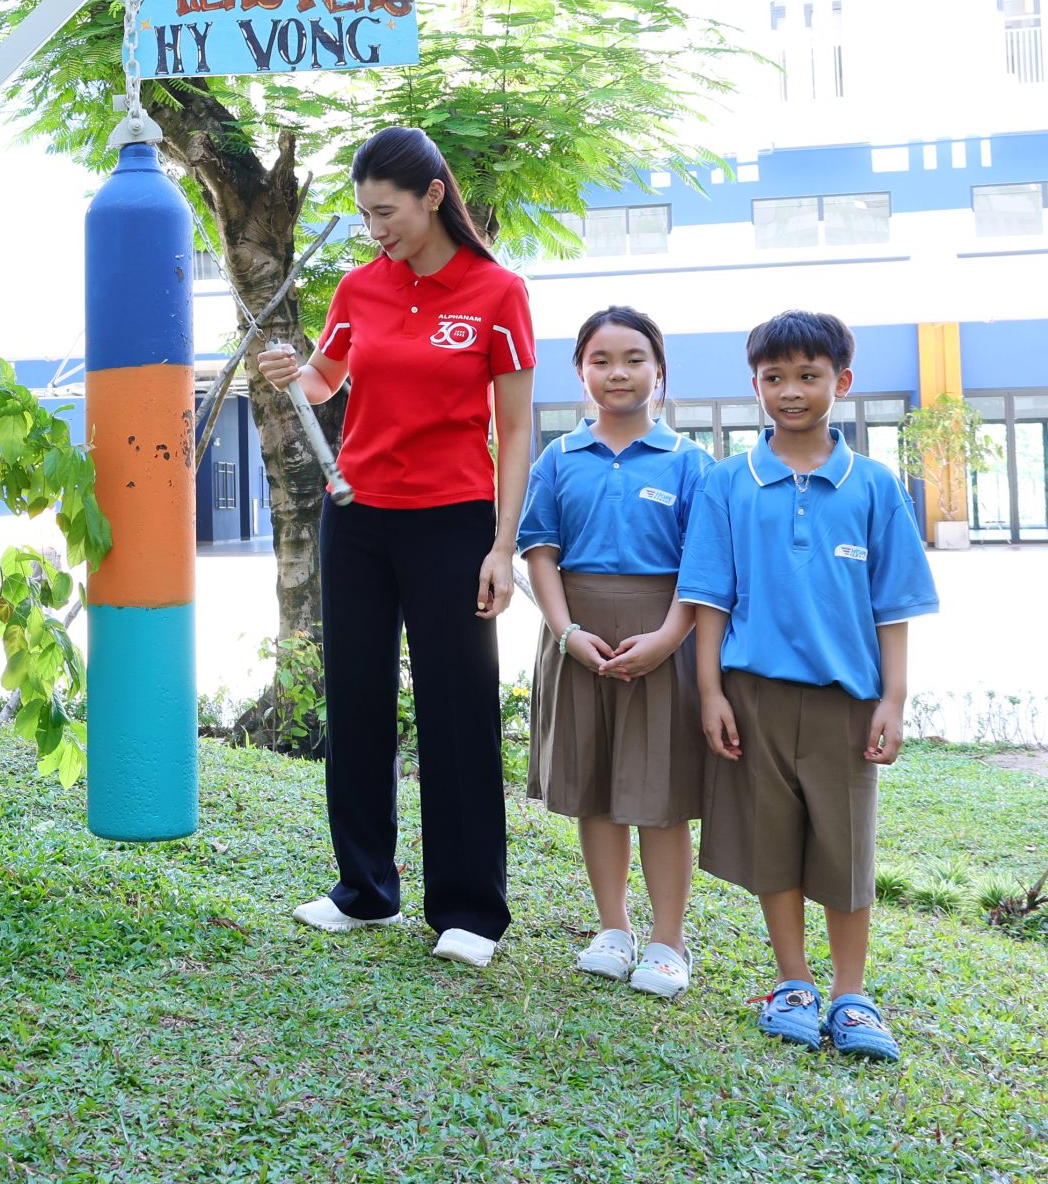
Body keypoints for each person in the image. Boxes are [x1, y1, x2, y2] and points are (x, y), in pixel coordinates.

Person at [256, 125, 536, 967]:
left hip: (453, 520)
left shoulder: (497, 292)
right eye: (365, 214)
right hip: (359, 517)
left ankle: (470, 910)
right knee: (356, 701)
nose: (377, 228)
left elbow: (516, 428)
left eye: (387, 212)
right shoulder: (358, 289)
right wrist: (287, 370)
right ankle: (364, 889)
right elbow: (324, 381)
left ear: (433, 196)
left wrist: (502, 545)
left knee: (458, 710)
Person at [678, 309, 940, 1061]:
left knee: (845, 849)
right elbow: (708, 598)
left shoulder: (875, 486)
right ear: (755, 383)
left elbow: (895, 604)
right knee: (773, 845)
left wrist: (893, 698)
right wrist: (711, 692)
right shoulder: (729, 481)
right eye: (774, 377)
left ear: (842, 382)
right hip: (752, 695)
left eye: (808, 375)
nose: (790, 391)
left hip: (847, 704)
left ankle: (851, 995)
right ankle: (792, 981)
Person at [519, 305, 708, 997]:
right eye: (601, 359)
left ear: (659, 370)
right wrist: (565, 633)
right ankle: (613, 926)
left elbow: (706, 566)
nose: (618, 372)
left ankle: (668, 939)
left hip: (664, 640)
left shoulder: (691, 463)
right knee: (596, 787)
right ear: (580, 371)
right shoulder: (559, 458)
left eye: (634, 358)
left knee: (658, 795)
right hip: (577, 640)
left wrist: (667, 639)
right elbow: (539, 550)